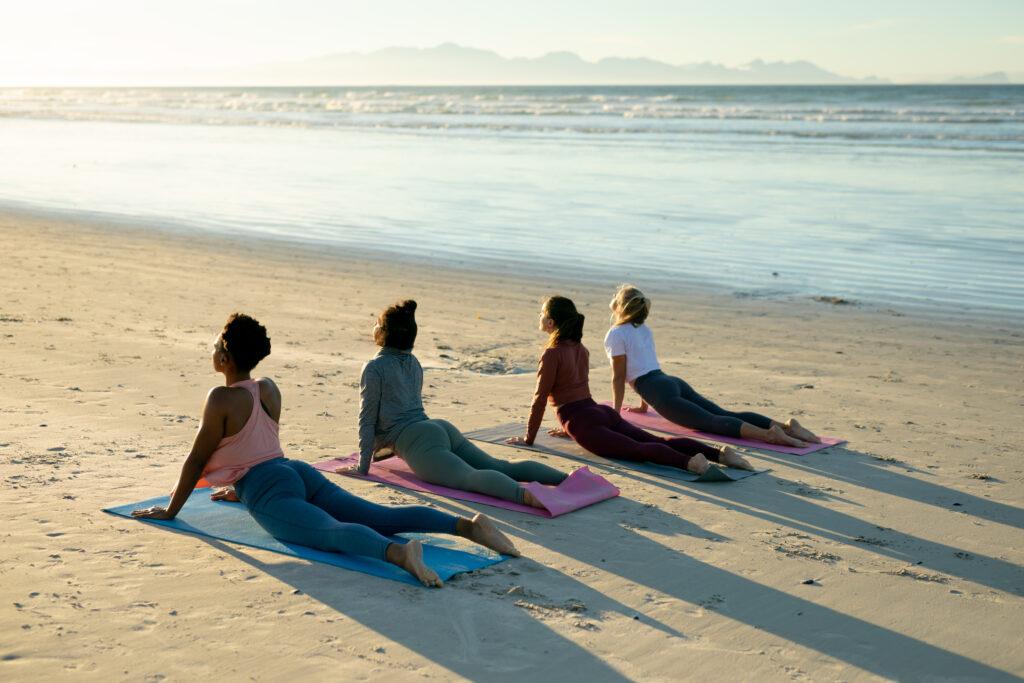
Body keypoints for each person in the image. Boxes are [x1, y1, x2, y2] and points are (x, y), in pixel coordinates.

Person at [132, 313, 518, 588]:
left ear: (225, 357)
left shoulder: (219, 398)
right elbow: (257, 445)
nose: (213, 348)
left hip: (267, 487)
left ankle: (398, 555)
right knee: (377, 514)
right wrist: (236, 485)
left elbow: (197, 459)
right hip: (295, 471)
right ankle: (467, 526)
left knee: (328, 532)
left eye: (217, 344)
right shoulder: (268, 387)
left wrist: (171, 509)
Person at [506, 296, 753, 474]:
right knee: (656, 440)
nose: (539, 317)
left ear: (550, 323)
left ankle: (690, 464)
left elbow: (540, 398)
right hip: (597, 412)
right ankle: (719, 454)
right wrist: (569, 428)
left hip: (581, 420)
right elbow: (578, 390)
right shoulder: (581, 349)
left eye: (541, 313)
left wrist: (529, 438)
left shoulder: (551, 354)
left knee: (639, 450)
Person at [357, 300, 568, 509]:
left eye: (376, 323)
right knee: (501, 466)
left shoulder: (374, 367)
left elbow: (367, 420)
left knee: (469, 477)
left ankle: (523, 496)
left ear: (385, 332)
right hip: (440, 428)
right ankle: (568, 479)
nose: (373, 326)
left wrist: (361, 467)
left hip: (416, 441)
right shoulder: (413, 362)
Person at [604, 284, 820, 447]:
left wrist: (615, 413)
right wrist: (643, 407)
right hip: (670, 381)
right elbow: (646, 364)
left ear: (619, 306)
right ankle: (787, 427)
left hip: (658, 391)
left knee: (710, 422)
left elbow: (619, 376)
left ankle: (769, 435)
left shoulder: (616, 334)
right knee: (723, 412)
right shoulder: (643, 329)